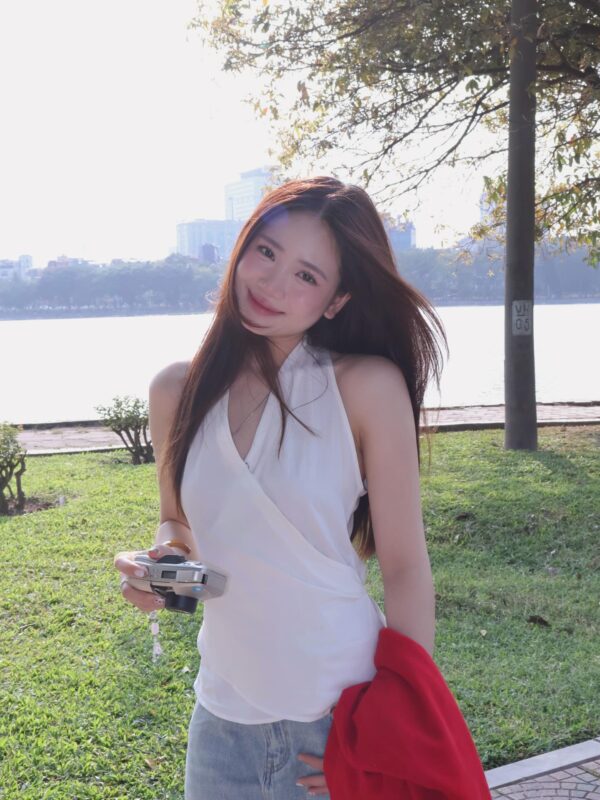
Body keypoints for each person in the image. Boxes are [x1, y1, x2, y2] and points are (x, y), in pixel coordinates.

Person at [114, 175, 447, 799]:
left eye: (306, 275)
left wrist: (391, 723)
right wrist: (164, 570)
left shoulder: (366, 387)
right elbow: (179, 523)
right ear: (241, 247)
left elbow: (405, 567)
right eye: (266, 252)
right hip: (221, 721)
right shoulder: (175, 391)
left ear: (336, 300)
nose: (272, 283)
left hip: (338, 714)